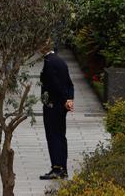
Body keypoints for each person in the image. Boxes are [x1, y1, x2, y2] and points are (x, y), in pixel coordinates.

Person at [39, 43, 75, 180]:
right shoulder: (59, 60)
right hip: (61, 104)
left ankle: (57, 168)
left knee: (53, 135)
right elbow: (68, 83)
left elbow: (55, 84)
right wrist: (69, 98)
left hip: (53, 105)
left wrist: (63, 99)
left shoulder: (49, 62)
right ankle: (62, 168)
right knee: (60, 135)